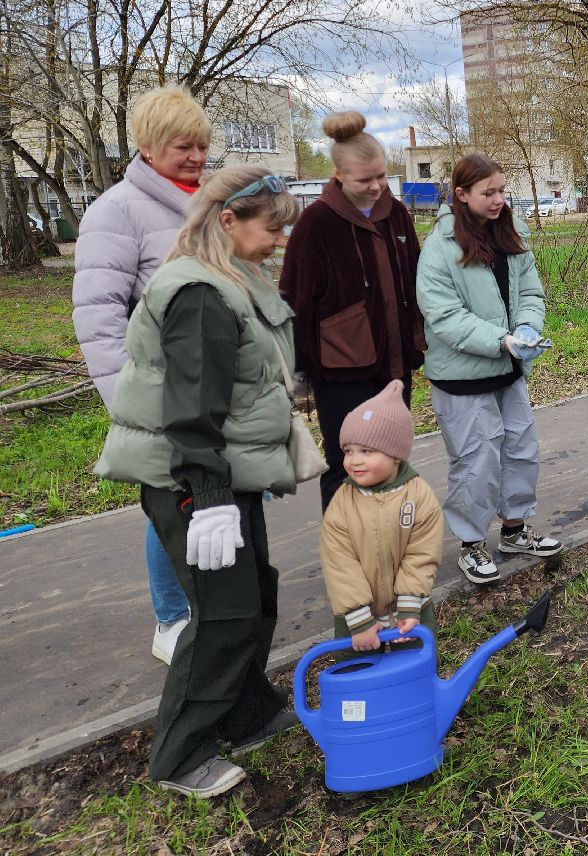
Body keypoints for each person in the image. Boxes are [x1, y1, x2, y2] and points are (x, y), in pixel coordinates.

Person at [94, 166, 304, 799]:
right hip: (192, 479)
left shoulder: (229, 280)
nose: (278, 242)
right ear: (228, 220)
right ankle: (179, 756)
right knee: (222, 614)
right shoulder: (198, 294)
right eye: (272, 229)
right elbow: (191, 407)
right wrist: (208, 501)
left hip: (223, 474)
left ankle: (245, 712)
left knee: (254, 594)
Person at [73, 84, 211, 665]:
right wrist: (124, 396)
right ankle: (170, 617)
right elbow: (99, 317)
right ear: (148, 147)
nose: (198, 158)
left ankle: (208, 605)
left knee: (210, 498)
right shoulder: (116, 212)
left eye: (203, 146)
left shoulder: (210, 203)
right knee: (169, 502)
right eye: (185, 147)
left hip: (216, 388)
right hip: (157, 392)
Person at [416, 152, 564, 587]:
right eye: (488, 193)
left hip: (509, 370)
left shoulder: (509, 235)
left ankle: (515, 531)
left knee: (521, 450)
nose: (499, 200)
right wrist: (499, 340)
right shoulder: (440, 248)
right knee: (476, 460)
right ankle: (471, 544)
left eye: (502, 190)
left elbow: (532, 292)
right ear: (461, 195)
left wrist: (527, 327)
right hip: (462, 377)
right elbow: (443, 316)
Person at [279, 111, 425, 512]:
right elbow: (295, 299)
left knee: (392, 459)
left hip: (394, 366)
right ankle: (347, 557)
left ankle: (390, 545)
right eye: (366, 180)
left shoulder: (395, 214)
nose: (378, 186)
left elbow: (415, 276)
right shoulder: (316, 223)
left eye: (381, 176)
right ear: (339, 175)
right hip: (343, 373)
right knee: (351, 467)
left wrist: (418, 338)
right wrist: (301, 372)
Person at [319, 379, 443, 652]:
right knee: (358, 677)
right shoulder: (342, 502)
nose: (354, 460)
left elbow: (422, 552)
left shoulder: (418, 496)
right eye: (348, 451)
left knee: (412, 670)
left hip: (410, 612)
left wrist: (410, 605)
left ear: (396, 455)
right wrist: (359, 619)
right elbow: (339, 561)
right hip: (355, 618)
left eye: (366, 451)